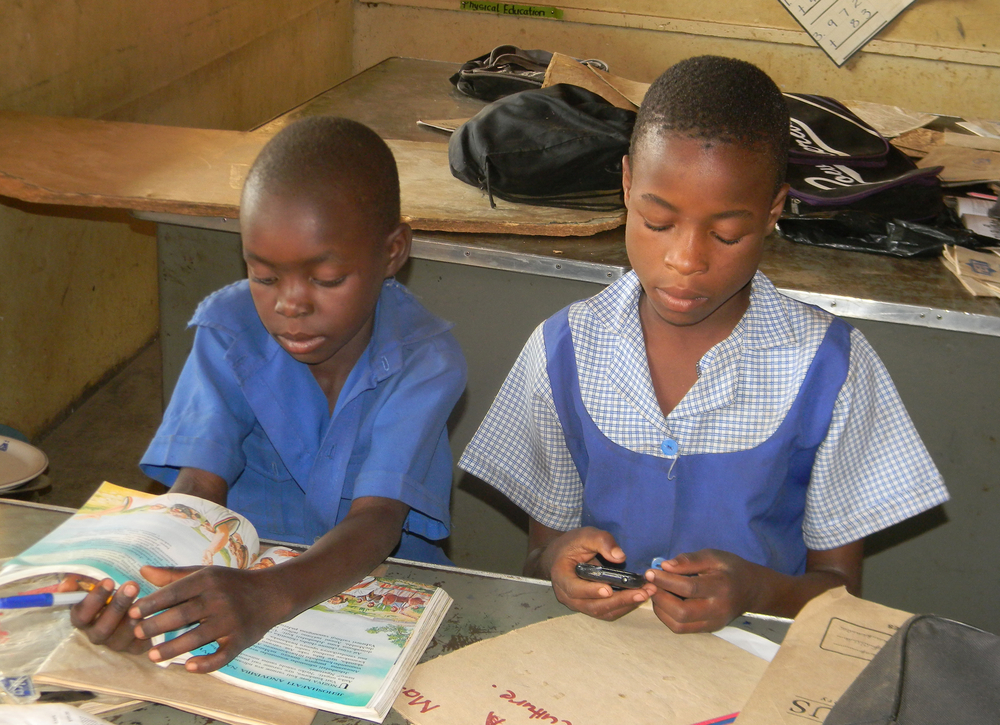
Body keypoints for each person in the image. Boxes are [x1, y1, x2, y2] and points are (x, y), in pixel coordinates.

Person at [458, 56, 948, 633]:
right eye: (658, 223)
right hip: (600, 670)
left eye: (726, 234)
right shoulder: (565, 351)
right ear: (626, 185)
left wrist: (760, 589)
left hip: (756, 677)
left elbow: (840, 594)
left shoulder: (828, 368)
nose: (685, 261)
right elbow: (542, 558)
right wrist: (561, 568)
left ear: (772, 211)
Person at [71, 116, 467, 670]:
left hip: (378, 598)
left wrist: (267, 596)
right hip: (236, 593)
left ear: (393, 251)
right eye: (264, 277)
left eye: (326, 280)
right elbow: (197, 488)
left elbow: (377, 520)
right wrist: (143, 592)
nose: (291, 305)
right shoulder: (229, 332)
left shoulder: (425, 360)